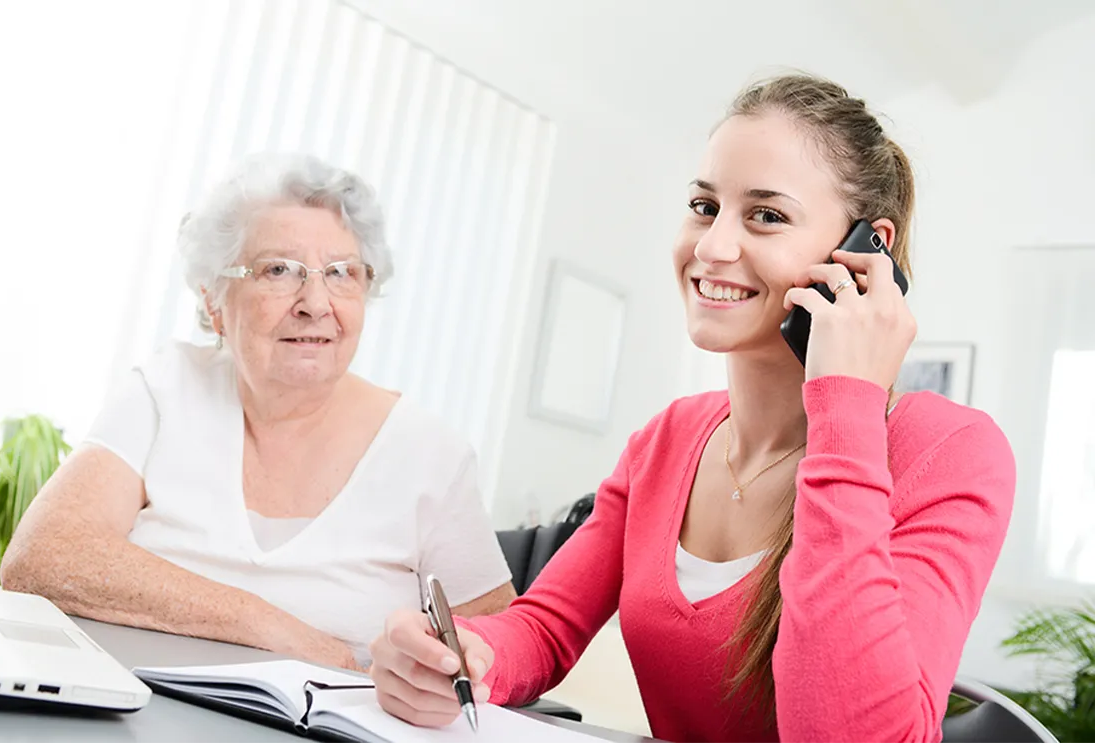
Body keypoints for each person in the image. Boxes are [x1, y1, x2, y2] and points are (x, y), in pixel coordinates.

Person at [365, 74, 1016, 742]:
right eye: (705, 206)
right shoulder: (667, 440)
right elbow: (542, 628)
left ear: (863, 252)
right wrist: (460, 655)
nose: (710, 246)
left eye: (766, 215)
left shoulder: (951, 451)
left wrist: (846, 404)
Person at [1, 154, 516, 671]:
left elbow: (499, 650)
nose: (315, 302)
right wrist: (274, 629)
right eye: (278, 270)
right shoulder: (167, 388)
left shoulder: (432, 455)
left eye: (341, 273)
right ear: (214, 301)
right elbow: (45, 554)